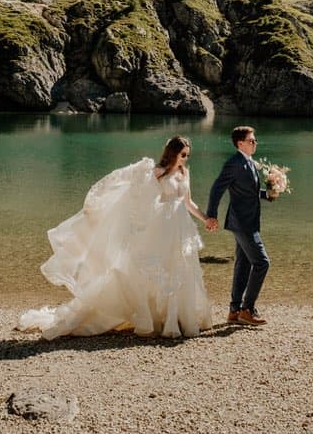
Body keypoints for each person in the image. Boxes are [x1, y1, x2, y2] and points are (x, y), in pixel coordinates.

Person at [18, 135, 212, 339]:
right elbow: (136, 195)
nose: (185, 159)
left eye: (187, 155)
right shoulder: (158, 172)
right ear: (172, 153)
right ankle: (159, 319)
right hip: (162, 226)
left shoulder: (184, 173)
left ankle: (179, 318)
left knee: (182, 268)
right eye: (183, 155)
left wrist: (206, 218)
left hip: (182, 227)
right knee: (159, 271)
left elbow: (188, 203)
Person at [205, 125, 274, 326]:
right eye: (251, 140)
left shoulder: (249, 162)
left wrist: (268, 194)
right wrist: (211, 215)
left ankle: (234, 311)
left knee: (243, 265)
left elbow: (249, 191)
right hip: (242, 223)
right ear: (240, 143)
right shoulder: (234, 163)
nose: (255, 143)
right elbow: (217, 189)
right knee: (262, 263)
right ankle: (247, 309)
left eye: (255, 140)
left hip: (249, 221)